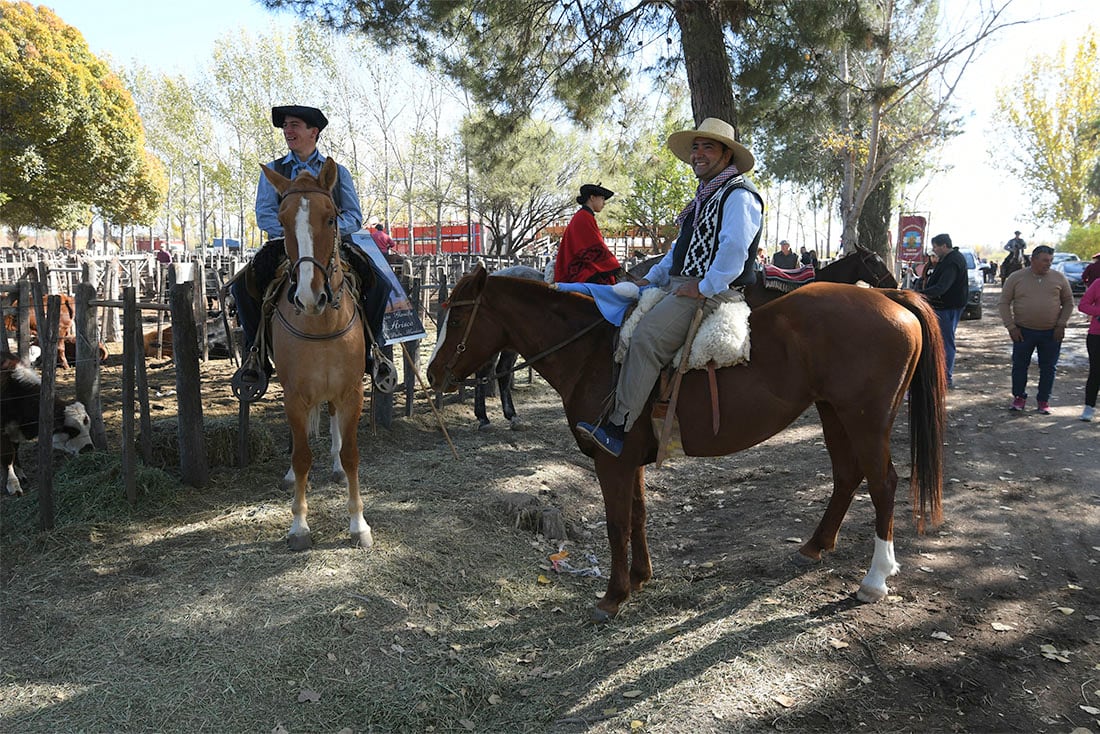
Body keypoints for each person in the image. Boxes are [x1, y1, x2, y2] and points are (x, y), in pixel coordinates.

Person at [576, 117, 763, 456]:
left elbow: (735, 249)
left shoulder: (738, 195)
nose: (699, 154)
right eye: (696, 147)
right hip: (685, 284)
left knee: (646, 339)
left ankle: (618, 428)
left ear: (727, 155)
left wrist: (704, 287)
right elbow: (679, 251)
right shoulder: (704, 197)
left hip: (713, 293)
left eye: (708, 147)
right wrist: (652, 279)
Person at [231, 105, 389, 380]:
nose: (287, 131)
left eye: (294, 125)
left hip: (331, 245)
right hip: (285, 244)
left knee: (381, 285)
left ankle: (373, 352)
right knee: (241, 288)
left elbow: (353, 214)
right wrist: (295, 232)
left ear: (313, 132)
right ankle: (255, 356)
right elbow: (265, 213)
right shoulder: (273, 170)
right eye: (285, 126)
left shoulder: (337, 172)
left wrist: (325, 231)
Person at [998, 245, 1075, 414]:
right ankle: (1019, 397)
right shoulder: (1016, 277)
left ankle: (1043, 401)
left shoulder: (1059, 278)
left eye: (1051, 261)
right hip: (1023, 331)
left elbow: (1069, 302)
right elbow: (1004, 303)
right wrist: (1011, 327)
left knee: (1049, 368)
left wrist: (1061, 324)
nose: (1048, 264)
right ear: (1033, 260)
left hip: (1051, 332)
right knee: (1019, 366)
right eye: (1045, 261)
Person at [917, 233, 968, 387]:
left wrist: (918, 295)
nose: (934, 250)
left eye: (936, 247)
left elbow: (942, 287)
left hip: (948, 306)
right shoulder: (947, 259)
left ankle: (946, 378)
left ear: (944, 246)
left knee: (945, 342)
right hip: (944, 305)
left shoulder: (952, 261)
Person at [554, 183, 621, 284]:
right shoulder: (584, 217)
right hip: (576, 269)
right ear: (592, 197)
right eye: (602, 198)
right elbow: (595, 246)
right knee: (608, 284)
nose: (604, 203)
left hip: (578, 264)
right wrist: (614, 264)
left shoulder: (584, 216)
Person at [1078, 275, 1100, 421]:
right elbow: (1083, 305)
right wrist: (1098, 312)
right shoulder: (1098, 283)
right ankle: (1089, 406)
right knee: (1096, 371)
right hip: (1097, 335)